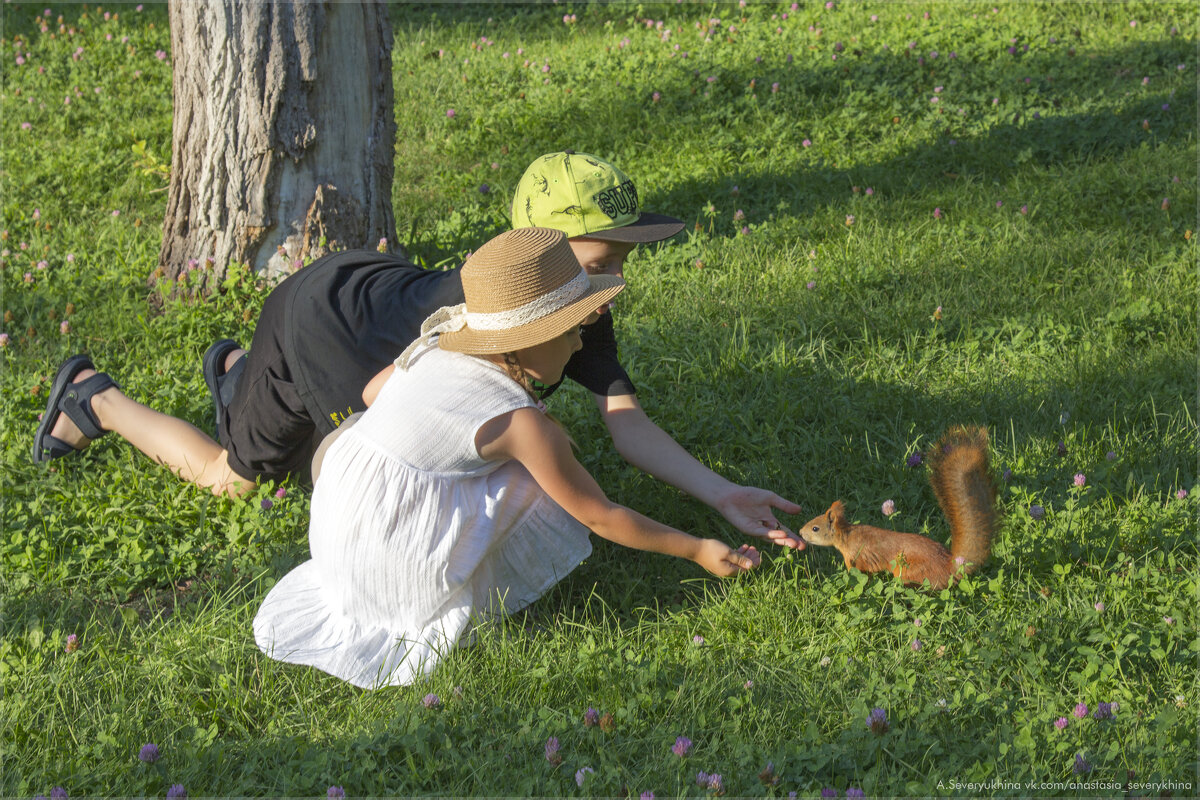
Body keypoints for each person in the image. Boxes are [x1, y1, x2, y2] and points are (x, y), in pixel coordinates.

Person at [32, 152, 801, 543]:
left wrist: (720, 493)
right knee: (238, 481)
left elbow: (624, 418)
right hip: (322, 324)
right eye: (604, 263)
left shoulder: (566, 300)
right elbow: (383, 434)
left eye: (621, 264)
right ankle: (93, 395)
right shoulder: (470, 325)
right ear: (543, 250)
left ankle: (240, 376)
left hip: (366, 295)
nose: (614, 285)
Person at [253, 228, 770, 688]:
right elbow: (602, 515)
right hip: (390, 561)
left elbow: (372, 390)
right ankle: (433, 586)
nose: (577, 345)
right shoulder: (523, 426)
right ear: (523, 343)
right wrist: (696, 548)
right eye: (569, 333)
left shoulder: (441, 345)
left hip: (339, 523)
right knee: (540, 486)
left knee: (503, 461)